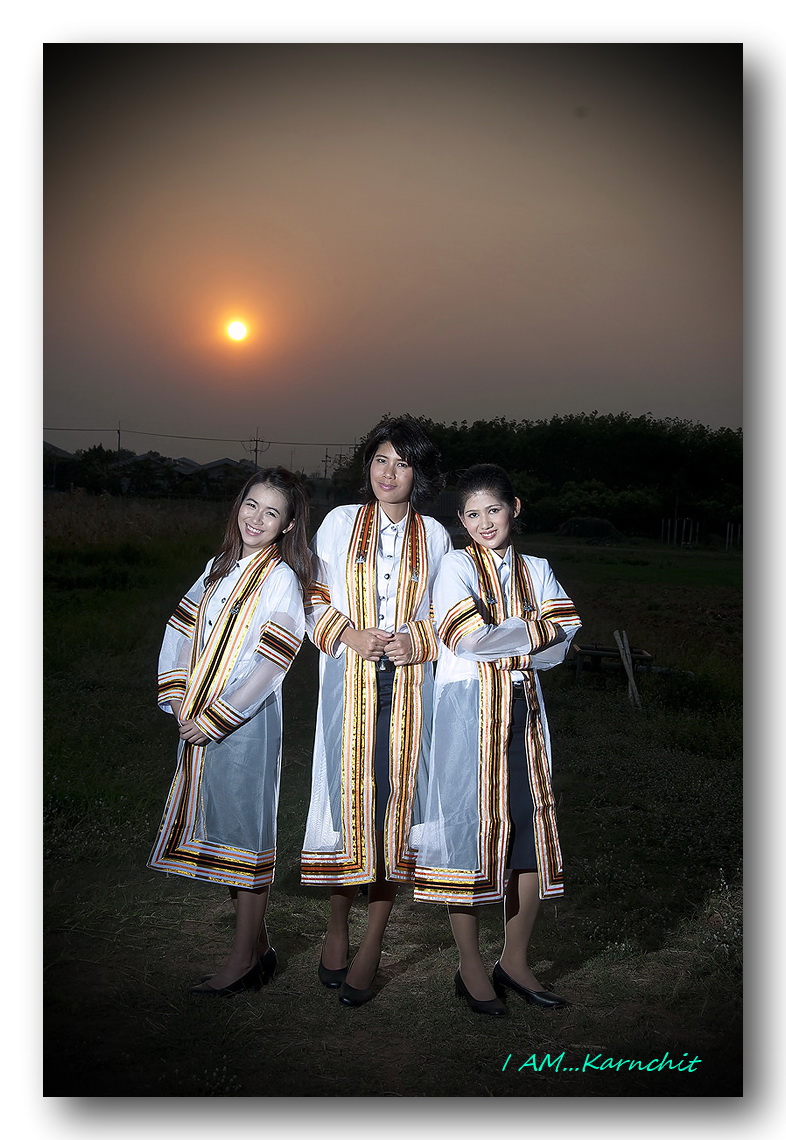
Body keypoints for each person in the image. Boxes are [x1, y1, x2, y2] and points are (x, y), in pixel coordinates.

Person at [412, 464, 581, 1016]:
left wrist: (516, 637)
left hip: (523, 715)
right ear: (460, 521)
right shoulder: (454, 566)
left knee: (529, 834)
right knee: (467, 831)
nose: (484, 522)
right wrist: (533, 631)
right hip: (467, 714)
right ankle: (469, 965)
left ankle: (515, 960)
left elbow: (566, 636)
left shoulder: (538, 568)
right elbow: (465, 638)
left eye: (494, 510)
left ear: (515, 508)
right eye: (472, 514)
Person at [301, 416, 451, 1006]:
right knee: (349, 803)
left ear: (419, 474)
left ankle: (373, 944)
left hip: (410, 689)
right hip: (351, 683)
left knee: (396, 806)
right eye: (381, 459)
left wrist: (420, 639)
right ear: (368, 465)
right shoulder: (340, 523)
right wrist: (347, 633)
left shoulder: (435, 536)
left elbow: (446, 612)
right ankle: (337, 927)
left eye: (402, 463)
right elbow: (311, 594)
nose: (389, 473)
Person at [148, 468, 310, 996]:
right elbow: (179, 632)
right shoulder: (216, 568)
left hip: (245, 721)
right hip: (197, 716)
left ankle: (241, 962)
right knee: (223, 831)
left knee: (245, 836)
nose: (256, 519)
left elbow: (271, 662)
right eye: (251, 504)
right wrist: (179, 700)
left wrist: (216, 717)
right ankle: (258, 950)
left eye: (272, 512)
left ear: (287, 526)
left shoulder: (281, 579)